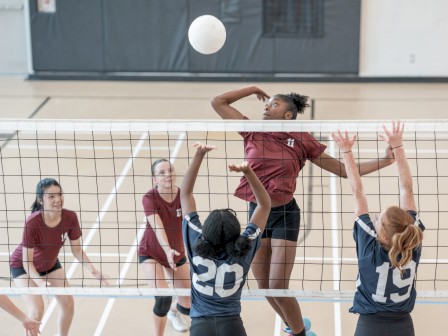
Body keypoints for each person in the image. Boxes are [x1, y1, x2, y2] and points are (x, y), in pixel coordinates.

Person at [211, 85, 395, 335]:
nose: (266, 107)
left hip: (285, 215)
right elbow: (218, 102)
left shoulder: (300, 139)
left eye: (274, 104)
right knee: (264, 286)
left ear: (288, 115)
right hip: (257, 215)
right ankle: (297, 326)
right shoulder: (252, 130)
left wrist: (386, 160)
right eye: (267, 104)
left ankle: (299, 334)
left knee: (277, 285)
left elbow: (342, 170)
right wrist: (253, 88)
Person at [331, 121, 424, 336]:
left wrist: (345, 150)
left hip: (369, 327)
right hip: (403, 326)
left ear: (381, 234)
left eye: (377, 219)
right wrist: (398, 147)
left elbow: (358, 193)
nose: (373, 218)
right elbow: (406, 188)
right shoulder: (413, 242)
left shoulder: (370, 250)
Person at [180, 142, 271, 336]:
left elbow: (185, 194)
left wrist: (199, 155)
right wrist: (248, 172)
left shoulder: (195, 240)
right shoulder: (244, 247)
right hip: (231, 326)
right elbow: (264, 205)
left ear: (207, 231)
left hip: (200, 327)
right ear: (236, 232)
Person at [9, 178, 109, 336]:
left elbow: (76, 249)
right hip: (23, 267)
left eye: (59, 194)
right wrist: (40, 283)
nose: (58, 200)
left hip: (49, 263)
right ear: (41, 200)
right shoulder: (33, 222)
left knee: (68, 303)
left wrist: (93, 270)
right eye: (51, 197)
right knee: (36, 312)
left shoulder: (70, 217)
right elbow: (26, 261)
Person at [139, 159, 191, 335]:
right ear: (154, 178)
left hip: (176, 251)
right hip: (151, 252)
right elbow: (157, 225)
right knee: (163, 298)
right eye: (161, 173)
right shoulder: (149, 198)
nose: (167, 174)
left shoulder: (184, 195)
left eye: (170, 170)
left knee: (189, 303)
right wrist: (167, 249)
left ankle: (174, 312)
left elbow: (191, 225)